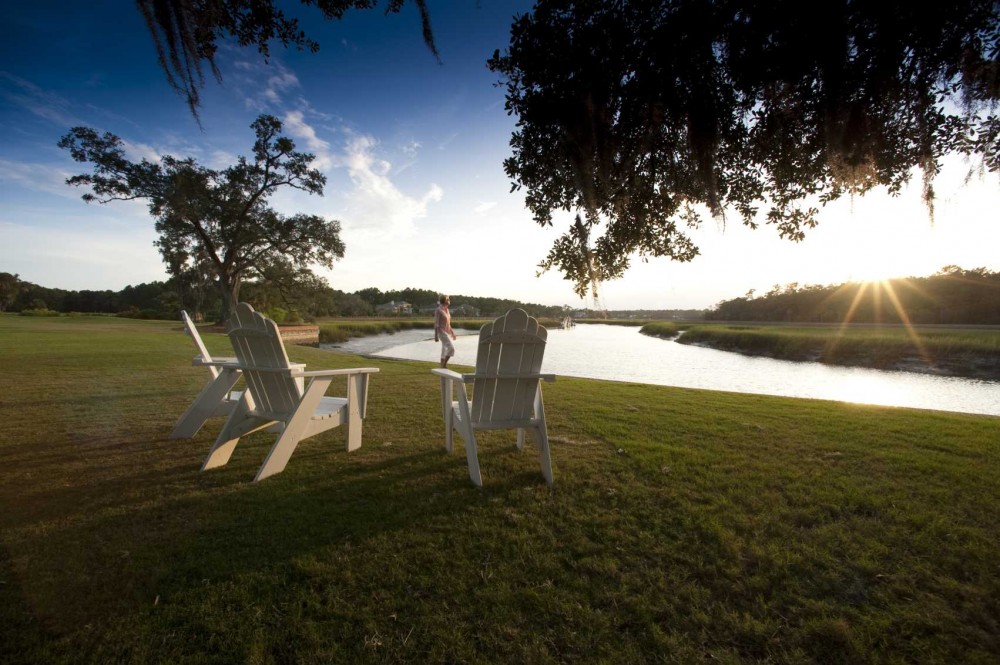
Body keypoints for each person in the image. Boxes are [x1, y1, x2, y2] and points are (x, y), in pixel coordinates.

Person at [434, 294, 457, 368]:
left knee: (444, 349)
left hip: (446, 332)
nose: (449, 300)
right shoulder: (438, 310)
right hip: (441, 332)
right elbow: (436, 323)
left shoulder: (447, 310)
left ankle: (442, 365)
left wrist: (452, 333)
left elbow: (448, 324)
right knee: (451, 349)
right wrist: (436, 336)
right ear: (444, 300)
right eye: (448, 299)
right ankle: (444, 365)